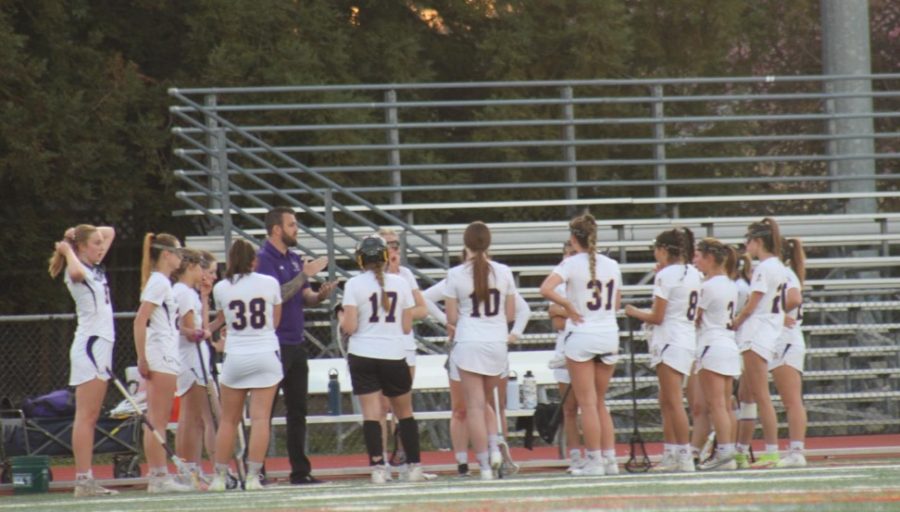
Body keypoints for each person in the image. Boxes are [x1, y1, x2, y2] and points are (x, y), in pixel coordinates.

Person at [422, 269, 529, 477]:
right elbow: (426, 298)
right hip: (474, 346)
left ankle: (492, 458)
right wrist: (448, 322)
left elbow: (523, 309)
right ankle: (467, 462)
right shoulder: (459, 277)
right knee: (465, 407)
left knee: (486, 406)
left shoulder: (498, 275)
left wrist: (514, 334)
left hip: (481, 346)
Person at [255, 207, 334, 485]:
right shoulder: (263, 259)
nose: (296, 229)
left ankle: (300, 470)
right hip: (274, 344)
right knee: (263, 410)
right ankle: (257, 469)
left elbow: (302, 296)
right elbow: (276, 295)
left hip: (296, 342)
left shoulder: (292, 259)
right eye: (291, 224)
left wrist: (319, 296)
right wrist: (305, 274)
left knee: (298, 410)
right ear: (276, 229)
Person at [338, 235, 426, 484]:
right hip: (394, 353)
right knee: (404, 412)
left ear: (360, 260)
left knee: (371, 413)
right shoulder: (400, 283)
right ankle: (414, 465)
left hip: (363, 354)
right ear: (385, 257)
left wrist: (342, 319)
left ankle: (378, 466)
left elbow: (351, 327)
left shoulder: (354, 284)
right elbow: (407, 327)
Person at [541, 213, 622, 476]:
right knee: (600, 402)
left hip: (582, 335)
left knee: (587, 404)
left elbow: (546, 289)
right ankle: (610, 460)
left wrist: (567, 305)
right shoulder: (611, 264)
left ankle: (595, 460)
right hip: (609, 333)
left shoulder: (570, 263)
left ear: (574, 238)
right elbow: (617, 303)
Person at [208, 240, 284, 491]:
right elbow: (275, 321)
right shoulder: (269, 283)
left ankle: (219, 477)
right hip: (265, 353)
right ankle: (253, 476)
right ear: (254, 260)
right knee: (261, 419)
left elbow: (222, 319)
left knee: (229, 420)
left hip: (236, 355)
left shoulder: (221, 287)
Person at [444, 221, 518, 480]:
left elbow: (452, 316)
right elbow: (510, 313)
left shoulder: (455, 274)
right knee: (489, 404)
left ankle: (485, 465)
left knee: (475, 407)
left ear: (466, 244)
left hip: (468, 343)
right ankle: (495, 445)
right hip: (496, 342)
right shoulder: (504, 272)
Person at [49, 224, 118, 497]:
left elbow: (110, 230)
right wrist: (67, 250)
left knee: (92, 416)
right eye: (95, 243)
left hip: (102, 345)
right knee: (86, 417)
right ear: (81, 248)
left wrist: (73, 233)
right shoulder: (76, 267)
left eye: (101, 244)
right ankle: (83, 480)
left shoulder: (96, 266)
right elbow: (76, 272)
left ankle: (85, 479)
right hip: (91, 346)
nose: (101, 246)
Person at [625, 227, 701, 473]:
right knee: (667, 400)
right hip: (685, 338)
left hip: (670, 339)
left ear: (665, 250)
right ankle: (672, 452)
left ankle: (683, 455)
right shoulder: (693, 273)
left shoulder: (666, 276)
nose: (655, 254)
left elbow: (657, 316)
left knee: (673, 401)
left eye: (657, 250)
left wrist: (633, 311)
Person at [133, 233, 193, 493]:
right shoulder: (159, 282)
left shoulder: (162, 282)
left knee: (158, 418)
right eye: (178, 252)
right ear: (166, 254)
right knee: (157, 419)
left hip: (165, 353)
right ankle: (158, 476)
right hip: (160, 354)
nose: (181, 257)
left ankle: (158, 475)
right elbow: (140, 320)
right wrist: (142, 357)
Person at [731, 218, 787, 469]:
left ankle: (772, 451)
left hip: (757, 333)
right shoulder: (779, 266)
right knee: (746, 394)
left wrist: (734, 322)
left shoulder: (764, 267)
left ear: (758, 242)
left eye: (749, 241)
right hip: (767, 330)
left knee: (761, 396)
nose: (746, 246)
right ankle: (741, 450)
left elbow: (753, 305)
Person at [375, 228, 428, 478]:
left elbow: (421, 309)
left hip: (404, 345)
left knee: (402, 406)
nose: (394, 249)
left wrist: (401, 311)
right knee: (381, 407)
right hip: (380, 346)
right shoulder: (369, 277)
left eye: (396, 244)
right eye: (389, 245)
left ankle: (407, 459)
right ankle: (381, 462)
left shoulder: (404, 275)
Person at [693, 238, 741, 470]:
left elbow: (694, 318)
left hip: (712, 345)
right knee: (725, 404)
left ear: (710, 259)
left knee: (717, 405)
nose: (695, 261)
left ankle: (724, 451)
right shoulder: (730, 283)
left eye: (698, 257)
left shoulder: (708, 286)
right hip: (729, 345)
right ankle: (727, 451)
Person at [172, 248, 212, 487]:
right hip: (190, 359)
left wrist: (206, 298)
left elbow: (201, 324)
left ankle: (192, 467)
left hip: (193, 359)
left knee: (194, 418)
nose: (202, 273)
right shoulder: (184, 293)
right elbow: (190, 329)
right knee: (191, 417)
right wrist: (201, 333)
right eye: (199, 267)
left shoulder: (188, 293)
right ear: (190, 268)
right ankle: (187, 468)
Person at [546, 241, 587, 472]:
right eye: (567, 253)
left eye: (574, 253)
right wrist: (572, 311)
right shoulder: (558, 284)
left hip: (587, 348)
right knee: (569, 409)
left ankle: (597, 454)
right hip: (565, 349)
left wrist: (564, 310)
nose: (570, 257)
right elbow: (558, 322)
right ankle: (575, 457)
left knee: (592, 405)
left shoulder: (589, 280)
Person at [769, 238, 808, 468]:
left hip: (786, 339)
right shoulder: (784, 272)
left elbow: (794, 298)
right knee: (789, 401)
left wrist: (775, 312)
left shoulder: (785, 273)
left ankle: (796, 450)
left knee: (792, 401)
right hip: (780, 340)